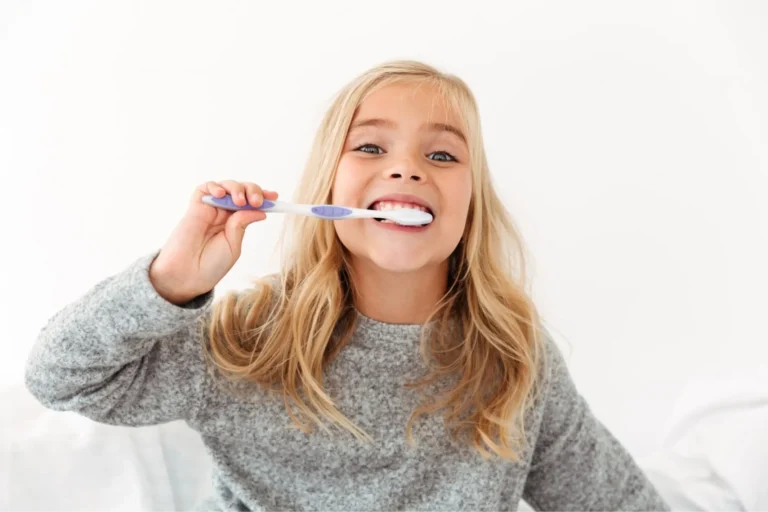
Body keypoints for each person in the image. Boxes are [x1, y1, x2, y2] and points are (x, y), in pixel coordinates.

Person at [24, 60, 669, 511]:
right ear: (328, 190)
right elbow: (59, 378)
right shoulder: (246, 343)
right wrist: (168, 282)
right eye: (369, 148)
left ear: (471, 206)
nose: (408, 169)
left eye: (442, 155)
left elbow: (612, 501)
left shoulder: (515, 361)